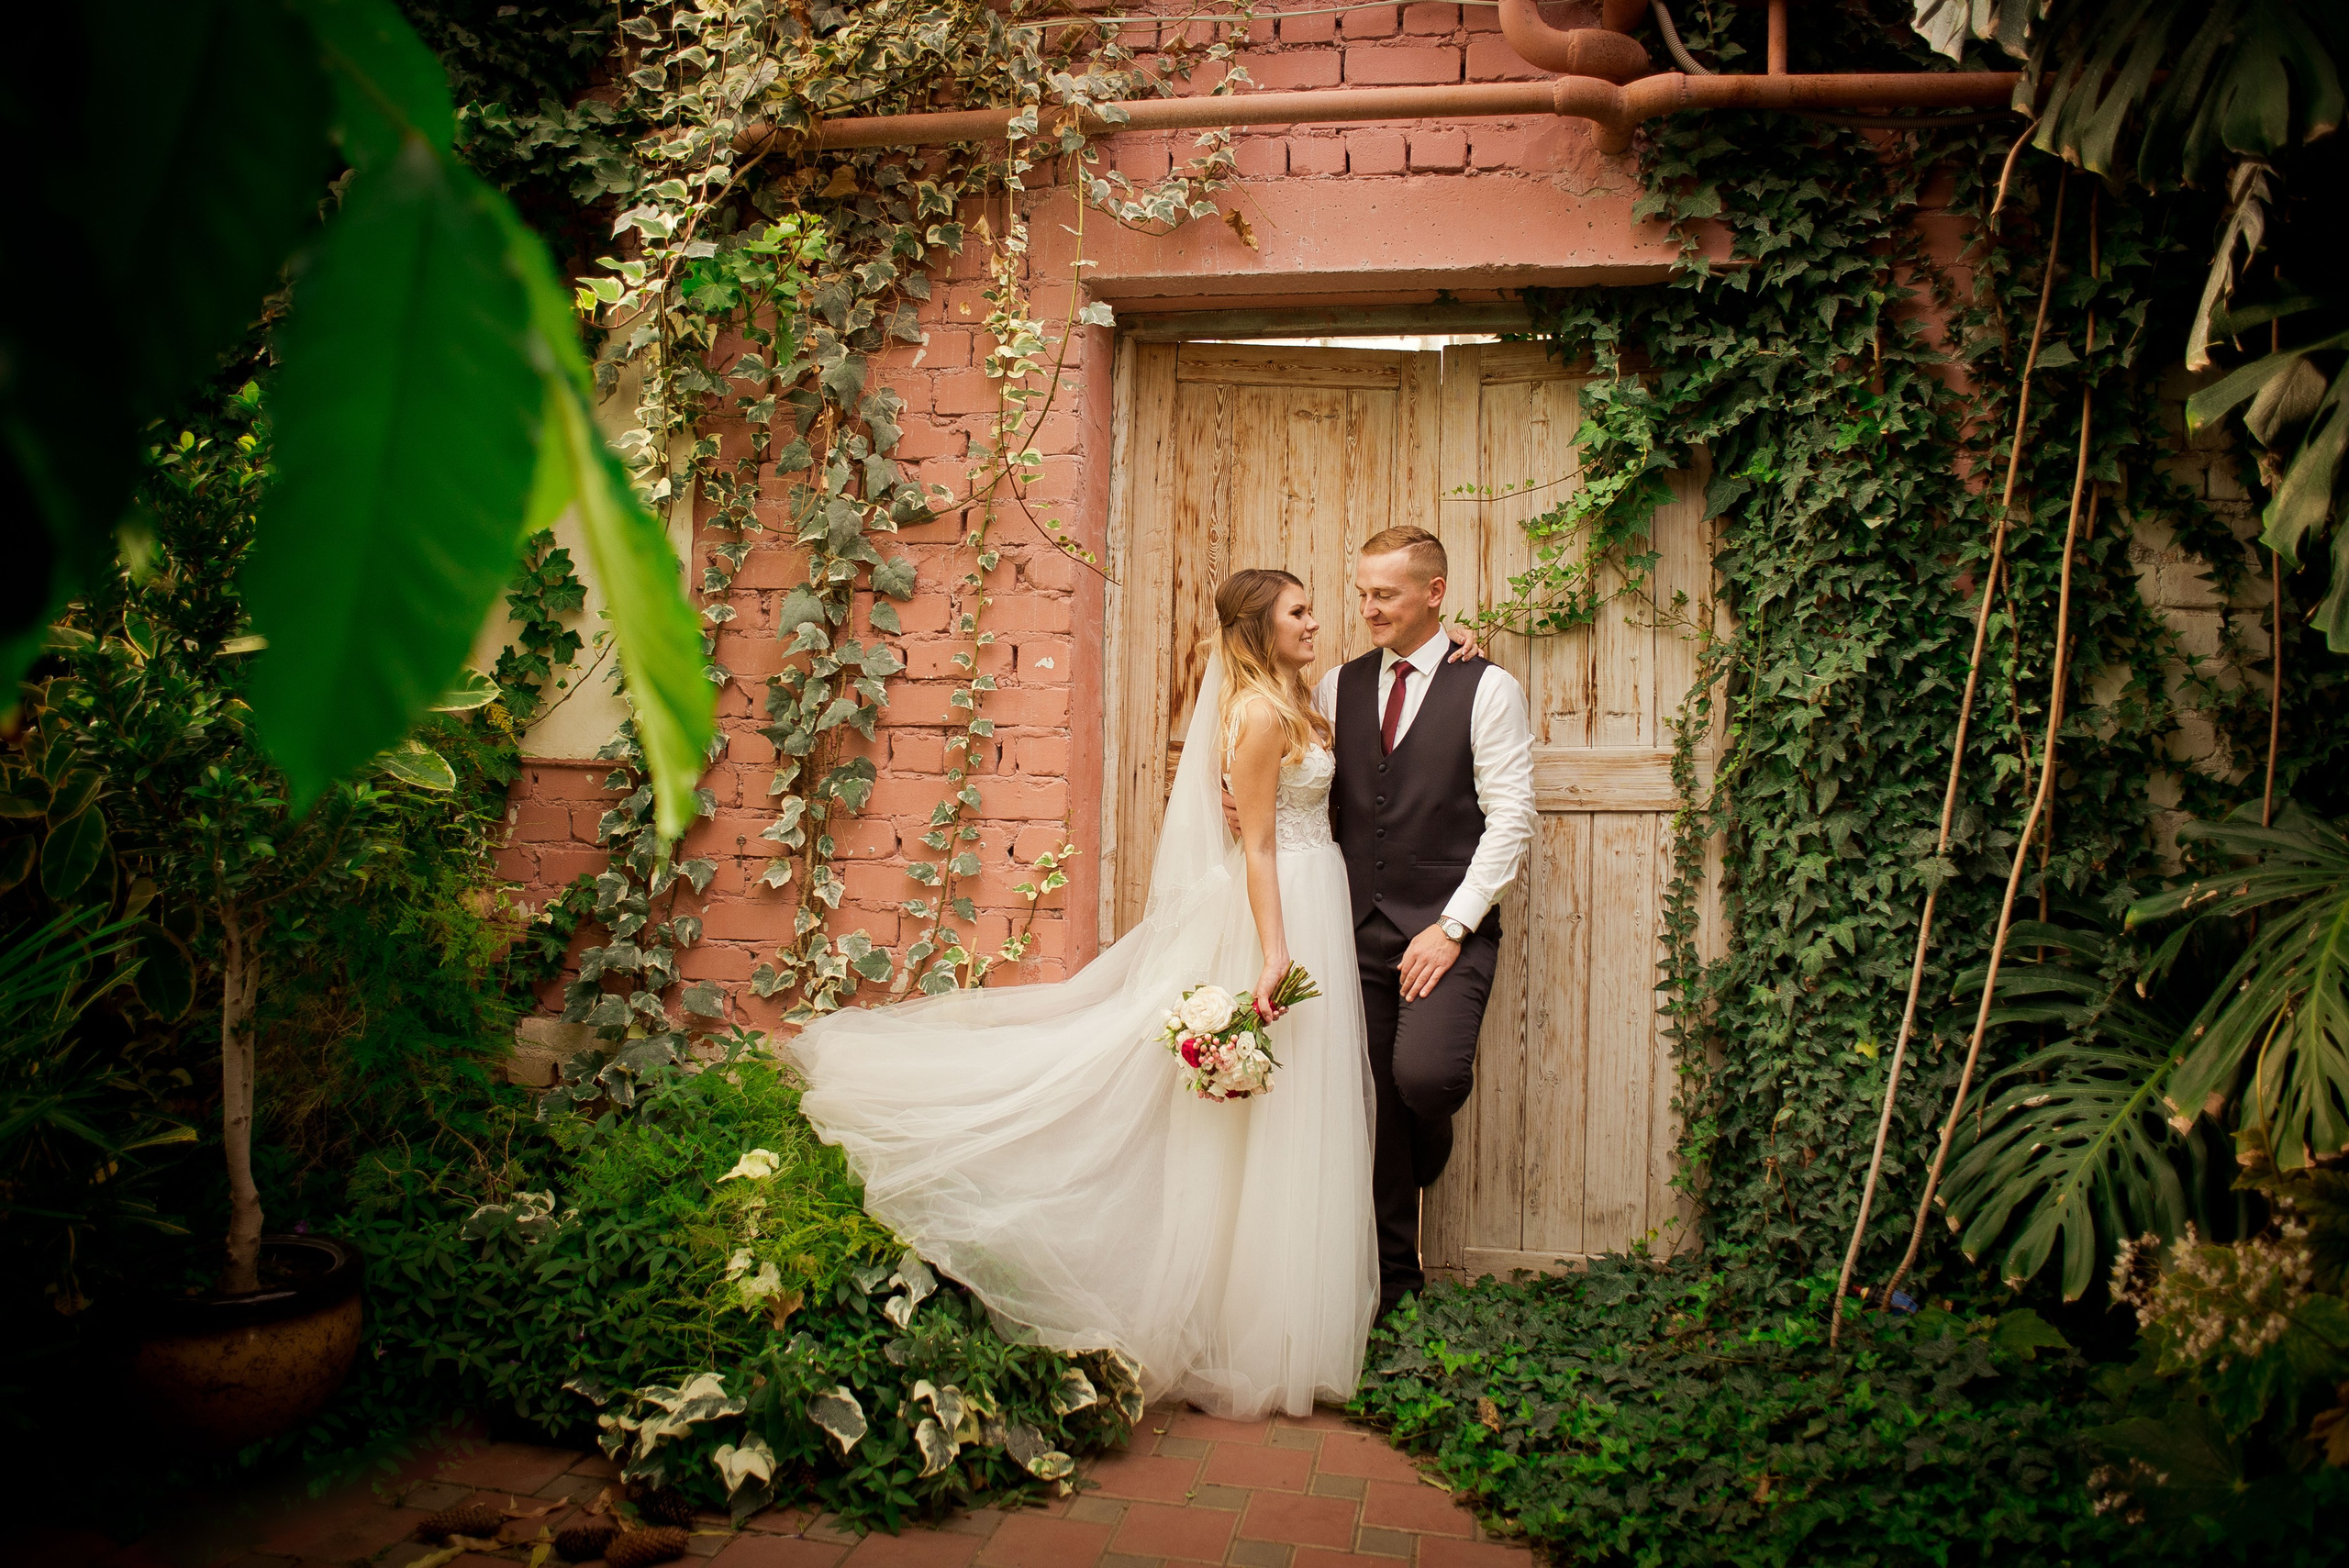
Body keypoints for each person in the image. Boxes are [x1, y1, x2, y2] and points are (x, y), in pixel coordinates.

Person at [789, 569, 1378, 1418]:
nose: (1315, 620)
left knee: (1300, 1114)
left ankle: (1289, 1326)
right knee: (1262, 1114)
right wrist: (1275, 950)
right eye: (1299, 610)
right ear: (1259, 628)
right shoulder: (1253, 716)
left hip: (1320, 892)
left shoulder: (1303, 698)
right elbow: (1255, 846)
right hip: (1282, 910)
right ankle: (1249, 1333)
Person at [1318, 526, 1537, 1321]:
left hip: (1448, 925)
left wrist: (1450, 928)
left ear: (1434, 594)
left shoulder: (1487, 688)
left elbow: (1512, 818)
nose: (1367, 608)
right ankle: (1395, 1287)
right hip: (1352, 927)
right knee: (1372, 1105)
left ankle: (1429, 1141)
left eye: (1386, 594)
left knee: (1425, 1079)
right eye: (1363, 592)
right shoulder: (1334, 686)